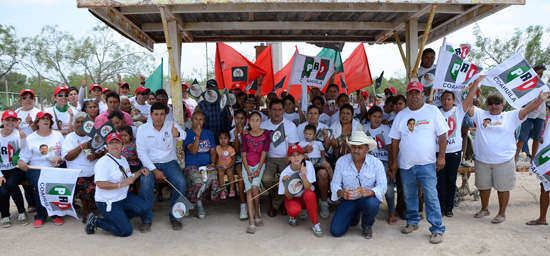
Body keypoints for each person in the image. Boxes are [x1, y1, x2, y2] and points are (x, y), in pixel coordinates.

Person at [468, 90, 549, 224]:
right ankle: (485, 209)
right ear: (486, 105)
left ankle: (501, 213)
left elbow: (529, 108)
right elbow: (467, 105)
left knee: (503, 188)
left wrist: (540, 100)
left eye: (497, 103)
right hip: (482, 160)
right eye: (490, 103)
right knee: (483, 186)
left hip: (504, 161)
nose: (494, 106)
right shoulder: (480, 114)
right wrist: (474, 85)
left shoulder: (511, 116)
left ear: (502, 104)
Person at [389, 81, 448, 244]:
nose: (414, 96)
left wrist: (441, 156)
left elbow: (443, 135)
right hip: (406, 164)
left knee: (431, 196)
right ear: (407, 96)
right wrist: (394, 161)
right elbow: (394, 140)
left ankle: (437, 229)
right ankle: (413, 222)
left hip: (427, 163)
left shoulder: (432, 111)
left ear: (422, 95)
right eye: (410, 93)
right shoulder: (401, 115)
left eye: (417, 93)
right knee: (409, 195)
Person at [84, 132, 149, 237]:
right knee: (126, 231)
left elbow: (128, 177)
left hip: (122, 197)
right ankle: (96, 221)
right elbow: (100, 184)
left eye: (117, 142)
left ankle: (118, 218)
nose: (114, 145)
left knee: (144, 207)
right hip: (108, 202)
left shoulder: (122, 159)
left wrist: (141, 171)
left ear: (122, 145)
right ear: (107, 146)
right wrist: (121, 185)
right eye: (111, 143)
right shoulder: (103, 162)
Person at [136, 102, 187, 232]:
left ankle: (175, 217)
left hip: (169, 162)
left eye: (162, 114)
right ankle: (146, 220)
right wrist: (154, 170)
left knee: (180, 182)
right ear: (151, 115)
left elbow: (184, 135)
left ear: (166, 115)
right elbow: (141, 153)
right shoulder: (142, 129)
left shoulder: (172, 125)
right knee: (145, 182)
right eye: (156, 114)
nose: (159, 117)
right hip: (149, 163)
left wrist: (178, 134)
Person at [437, 77, 481, 218]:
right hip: (438, 152)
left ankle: (449, 207)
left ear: (453, 100)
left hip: (454, 152)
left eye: (449, 99)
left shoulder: (459, 111)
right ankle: (440, 206)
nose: (446, 101)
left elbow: (469, 98)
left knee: (451, 180)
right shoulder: (435, 112)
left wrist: (476, 83)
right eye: (444, 99)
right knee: (440, 180)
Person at [330, 130, 386, 239]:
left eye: (360, 148)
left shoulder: (376, 163)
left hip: (367, 199)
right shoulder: (342, 161)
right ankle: (354, 216)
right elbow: (335, 183)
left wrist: (369, 192)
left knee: (372, 204)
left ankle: (367, 225)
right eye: (353, 147)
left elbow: (382, 186)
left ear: (367, 149)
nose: (356, 151)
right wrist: (341, 192)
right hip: (348, 200)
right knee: (336, 231)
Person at [17, 111, 65, 228]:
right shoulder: (31, 138)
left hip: (54, 167)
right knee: (41, 184)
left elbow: (64, 154)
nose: (45, 121)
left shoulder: (58, 135)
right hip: (35, 168)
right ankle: (41, 215)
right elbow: (24, 156)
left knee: (53, 183)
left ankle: (55, 213)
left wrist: (59, 159)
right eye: (42, 119)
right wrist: (21, 162)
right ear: (37, 122)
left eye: (47, 119)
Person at [260, 98, 300, 217]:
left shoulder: (290, 126)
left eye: (280, 110)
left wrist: (290, 158)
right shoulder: (263, 125)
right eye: (274, 110)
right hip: (269, 159)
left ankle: (275, 205)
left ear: (284, 111)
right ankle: (280, 199)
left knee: (287, 179)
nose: (277, 112)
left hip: (285, 158)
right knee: (266, 179)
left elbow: (293, 147)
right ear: (269, 111)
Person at [62, 112, 104, 220]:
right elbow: (67, 157)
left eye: (83, 122)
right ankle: (86, 212)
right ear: (74, 124)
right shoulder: (70, 137)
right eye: (77, 122)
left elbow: (102, 151)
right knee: (85, 184)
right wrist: (81, 147)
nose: (80, 124)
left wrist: (95, 155)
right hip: (78, 172)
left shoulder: (93, 135)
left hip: (95, 170)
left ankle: (99, 206)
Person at [279, 145, 323, 237]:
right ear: (289, 158)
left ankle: (315, 224)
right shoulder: (285, 173)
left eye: (298, 154)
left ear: (303, 156)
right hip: (293, 198)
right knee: (294, 210)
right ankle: (293, 215)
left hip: (305, 197)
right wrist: (285, 184)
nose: (296, 157)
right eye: (293, 155)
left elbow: (308, 187)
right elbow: (288, 197)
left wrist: (303, 174)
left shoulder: (308, 165)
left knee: (310, 194)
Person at [182, 111, 219, 219]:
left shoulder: (209, 134)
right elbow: (193, 151)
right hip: (192, 165)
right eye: (196, 119)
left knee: (212, 180)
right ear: (192, 120)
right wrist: (197, 137)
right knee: (197, 181)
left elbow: (212, 152)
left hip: (206, 165)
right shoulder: (187, 134)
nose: (198, 122)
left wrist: (212, 164)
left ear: (204, 121)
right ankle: (199, 205)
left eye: (201, 119)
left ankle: (192, 201)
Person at [363, 106, 395, 224]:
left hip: (383, 161)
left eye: (379, 117)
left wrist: (391, 167)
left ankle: (391, 211)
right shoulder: (364, 128)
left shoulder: (385, 128)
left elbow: (391, 149)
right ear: (369, 117)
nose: (377, 119)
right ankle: (368, 209)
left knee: (388, 186)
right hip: (368, 161)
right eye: (374, 117)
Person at [242, 112, 270, 234]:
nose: (254, 123)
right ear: (249, 122)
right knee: (249, 189)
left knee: (255, 187)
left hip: (259, 165)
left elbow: (264, 153)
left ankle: (257, 212)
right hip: (247, 166)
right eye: (252, 120)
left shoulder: (266, 134)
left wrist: (258, 169)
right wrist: (248, 171)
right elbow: (243, 154)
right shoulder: (246, 136)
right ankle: (251, 219)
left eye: (257, 120)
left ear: (261, 121)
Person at [0, 110, 29, 227]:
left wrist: (23, 139)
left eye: (13, 120)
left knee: (11, 184)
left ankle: (22, 211)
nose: (10, 123)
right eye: (7, 120)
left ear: (17, 122)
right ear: (2, 121)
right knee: (2, 190)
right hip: (2, 169)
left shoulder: (18, 134)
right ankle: (5, 215)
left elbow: (23, 147)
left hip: (15, 167)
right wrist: (0, 175)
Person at [299, 124, 332, 219]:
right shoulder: (301, 143)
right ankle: (304, 205)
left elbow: (322, 151)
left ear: (314, 135)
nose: (307, 136)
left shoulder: (318, 143)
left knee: (327, 165)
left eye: (310, 134)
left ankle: (332, 180)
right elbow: (297, 152)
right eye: (305, 134)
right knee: (304, 177)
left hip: (317, 160)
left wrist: (323, 156)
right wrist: (303, 152)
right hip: (308, 161)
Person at [515, 65, 547, 163]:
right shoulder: (527, 84)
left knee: (537, 138)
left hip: (540, 114)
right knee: (522, 137)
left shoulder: (546, 85)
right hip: (528, 113)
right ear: (533, 73)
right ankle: (514, 158)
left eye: (542, 73)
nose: (540, 75)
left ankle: (533, 161)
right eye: (539, 73)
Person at [230, 109, 248, 219]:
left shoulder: (249, 130)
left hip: (250, 160)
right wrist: (237, 137)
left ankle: (255, 202)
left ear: (245, 120)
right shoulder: (231, 132)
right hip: (238, 161)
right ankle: (243, 205)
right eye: (237, 118)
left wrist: (244, 136)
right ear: (234, 119)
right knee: (241, 177)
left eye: (242, 118)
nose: (239, 121)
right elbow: (236, 151)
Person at [120, 125, 141, 195]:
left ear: (131, 136)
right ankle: (128, 193)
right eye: (121, 135)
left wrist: (129, 158)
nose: (123, 137)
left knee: (136, 179)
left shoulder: (134, 144)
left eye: (125, 135)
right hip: (124, 166)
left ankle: (138, 193)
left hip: (134, 164)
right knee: (125, 178)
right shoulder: (119, 145)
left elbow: (138, 156)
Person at [215, 131, 236, 200]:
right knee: (220, 173)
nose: (223, 140)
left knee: (230, 172)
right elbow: (215, 157)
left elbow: (234, 159)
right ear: (218, 139)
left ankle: (232, 189)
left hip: (229, 166)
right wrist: (216, 164)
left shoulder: (231, 149)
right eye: (221, 138)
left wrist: (229, 166)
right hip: (220, 166)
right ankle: (222, 190)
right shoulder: (217, 148)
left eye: (225, 138)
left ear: (229, 139)